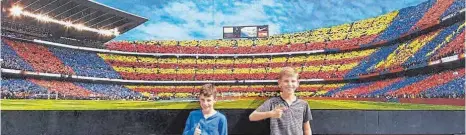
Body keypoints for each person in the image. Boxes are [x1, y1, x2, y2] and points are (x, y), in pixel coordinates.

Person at [249, 67, 313, 135]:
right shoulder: (272, 102)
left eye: (293, 81)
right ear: (280, 83)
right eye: (286, 81)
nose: (290, 84)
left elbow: (307, 129)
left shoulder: (303, 104)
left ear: (297, 83)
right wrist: (271, 114)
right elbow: (252, 117)